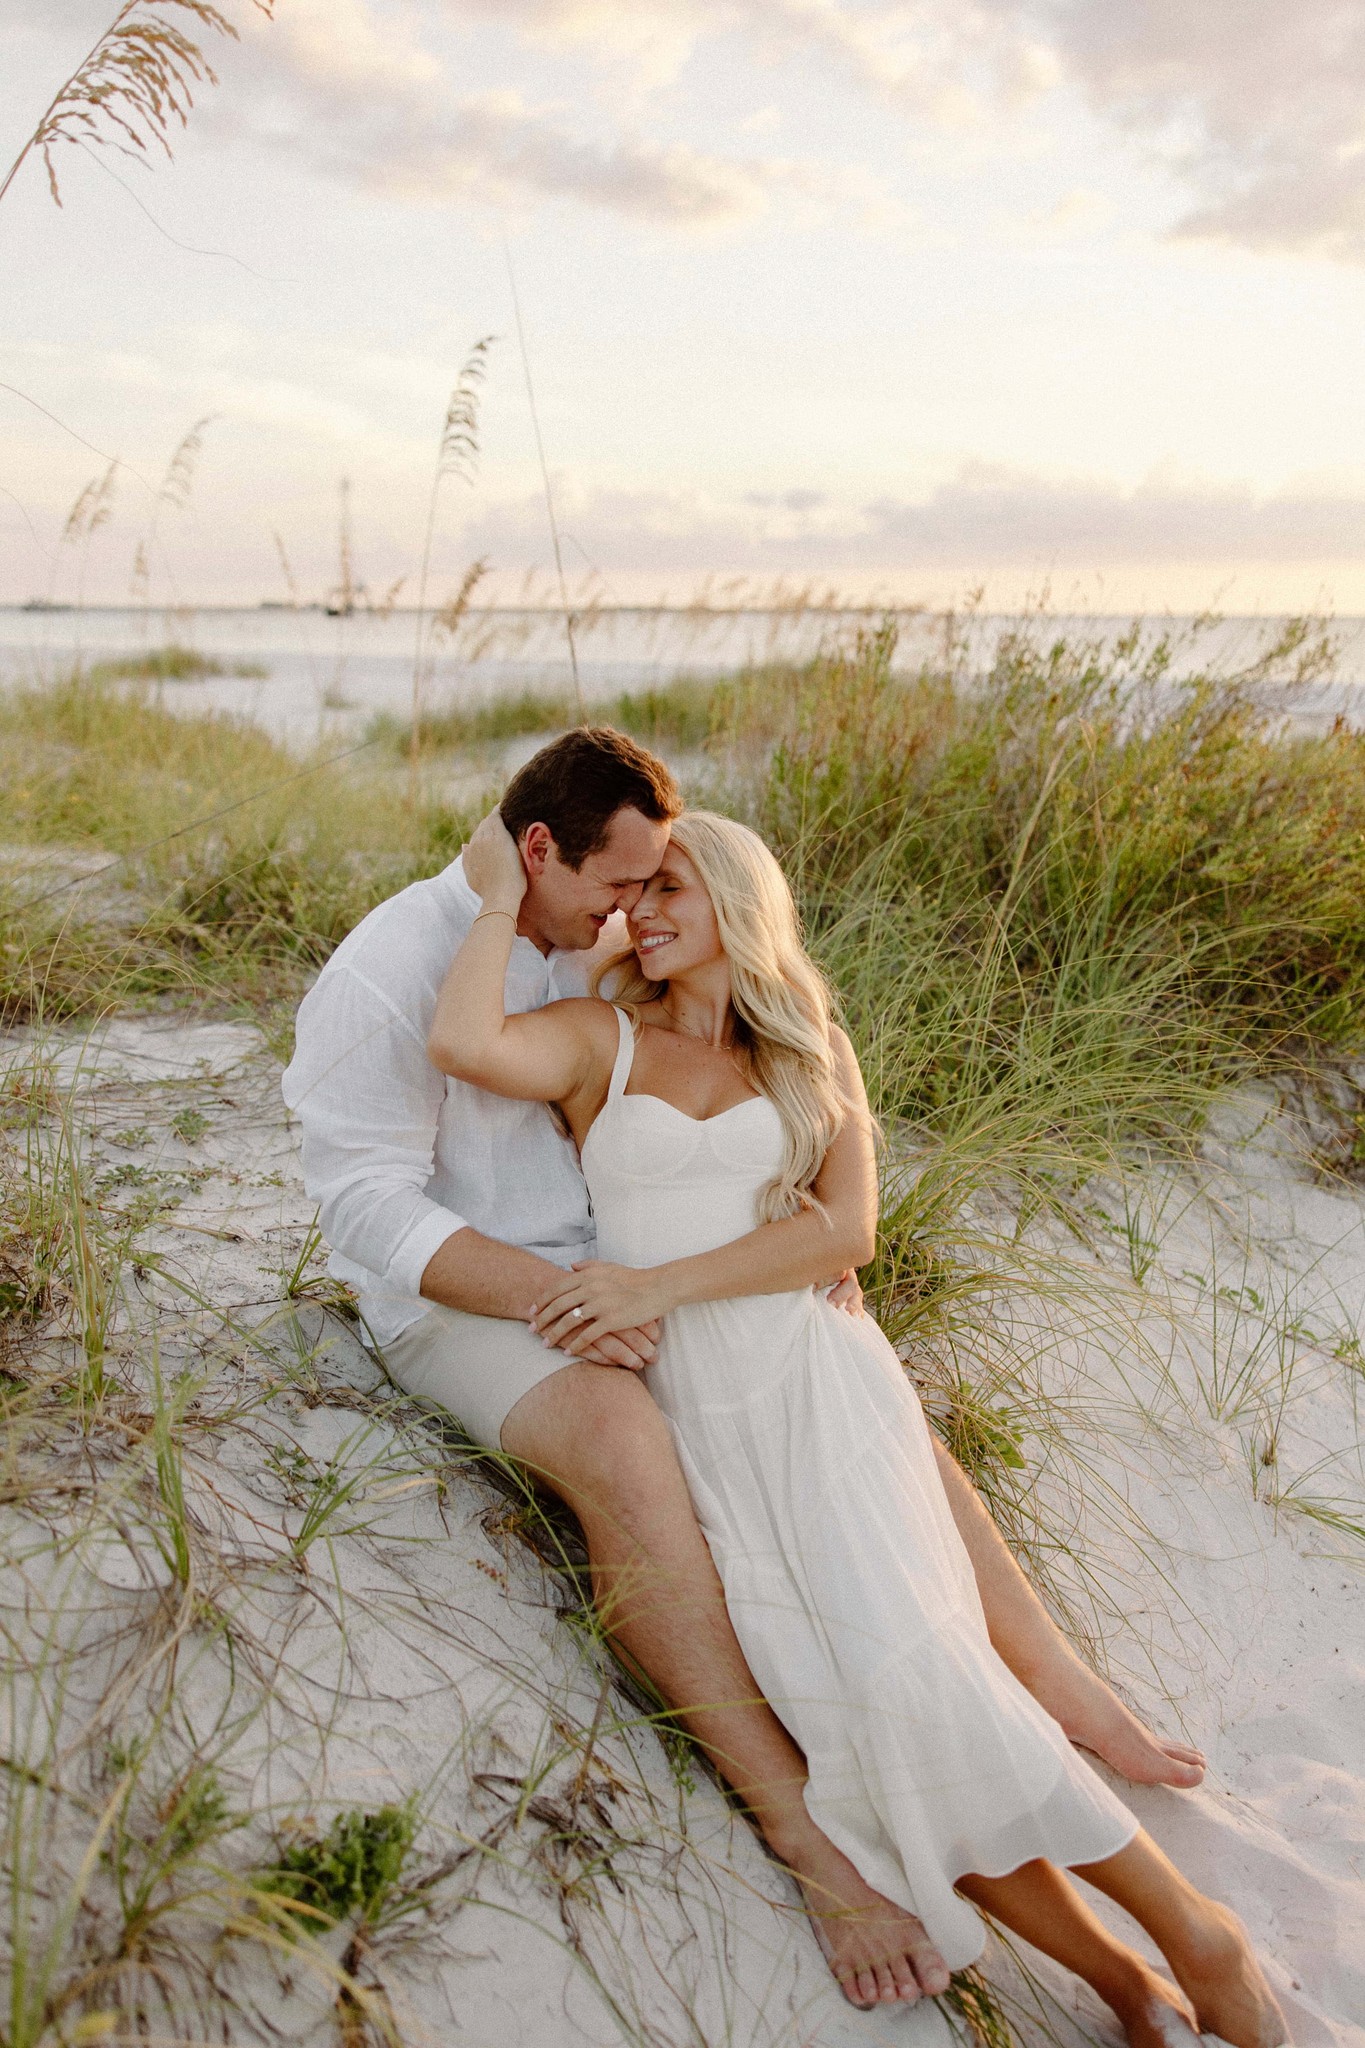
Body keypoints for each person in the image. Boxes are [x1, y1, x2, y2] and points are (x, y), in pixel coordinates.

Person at [283, 727, 1214, 2014]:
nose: (635, 913)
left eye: (663, 883)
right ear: (537, 853)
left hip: (629, 1276)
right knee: (623, 1438)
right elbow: (369, 1215)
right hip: (469, 1295)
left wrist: (801, 1233)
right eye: (624, 885)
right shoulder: (397, 966)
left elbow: (781, 1054)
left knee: (838, 1369)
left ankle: (1062, 1688)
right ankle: (802, 1831)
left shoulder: (614, 944)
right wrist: (570, 1298)